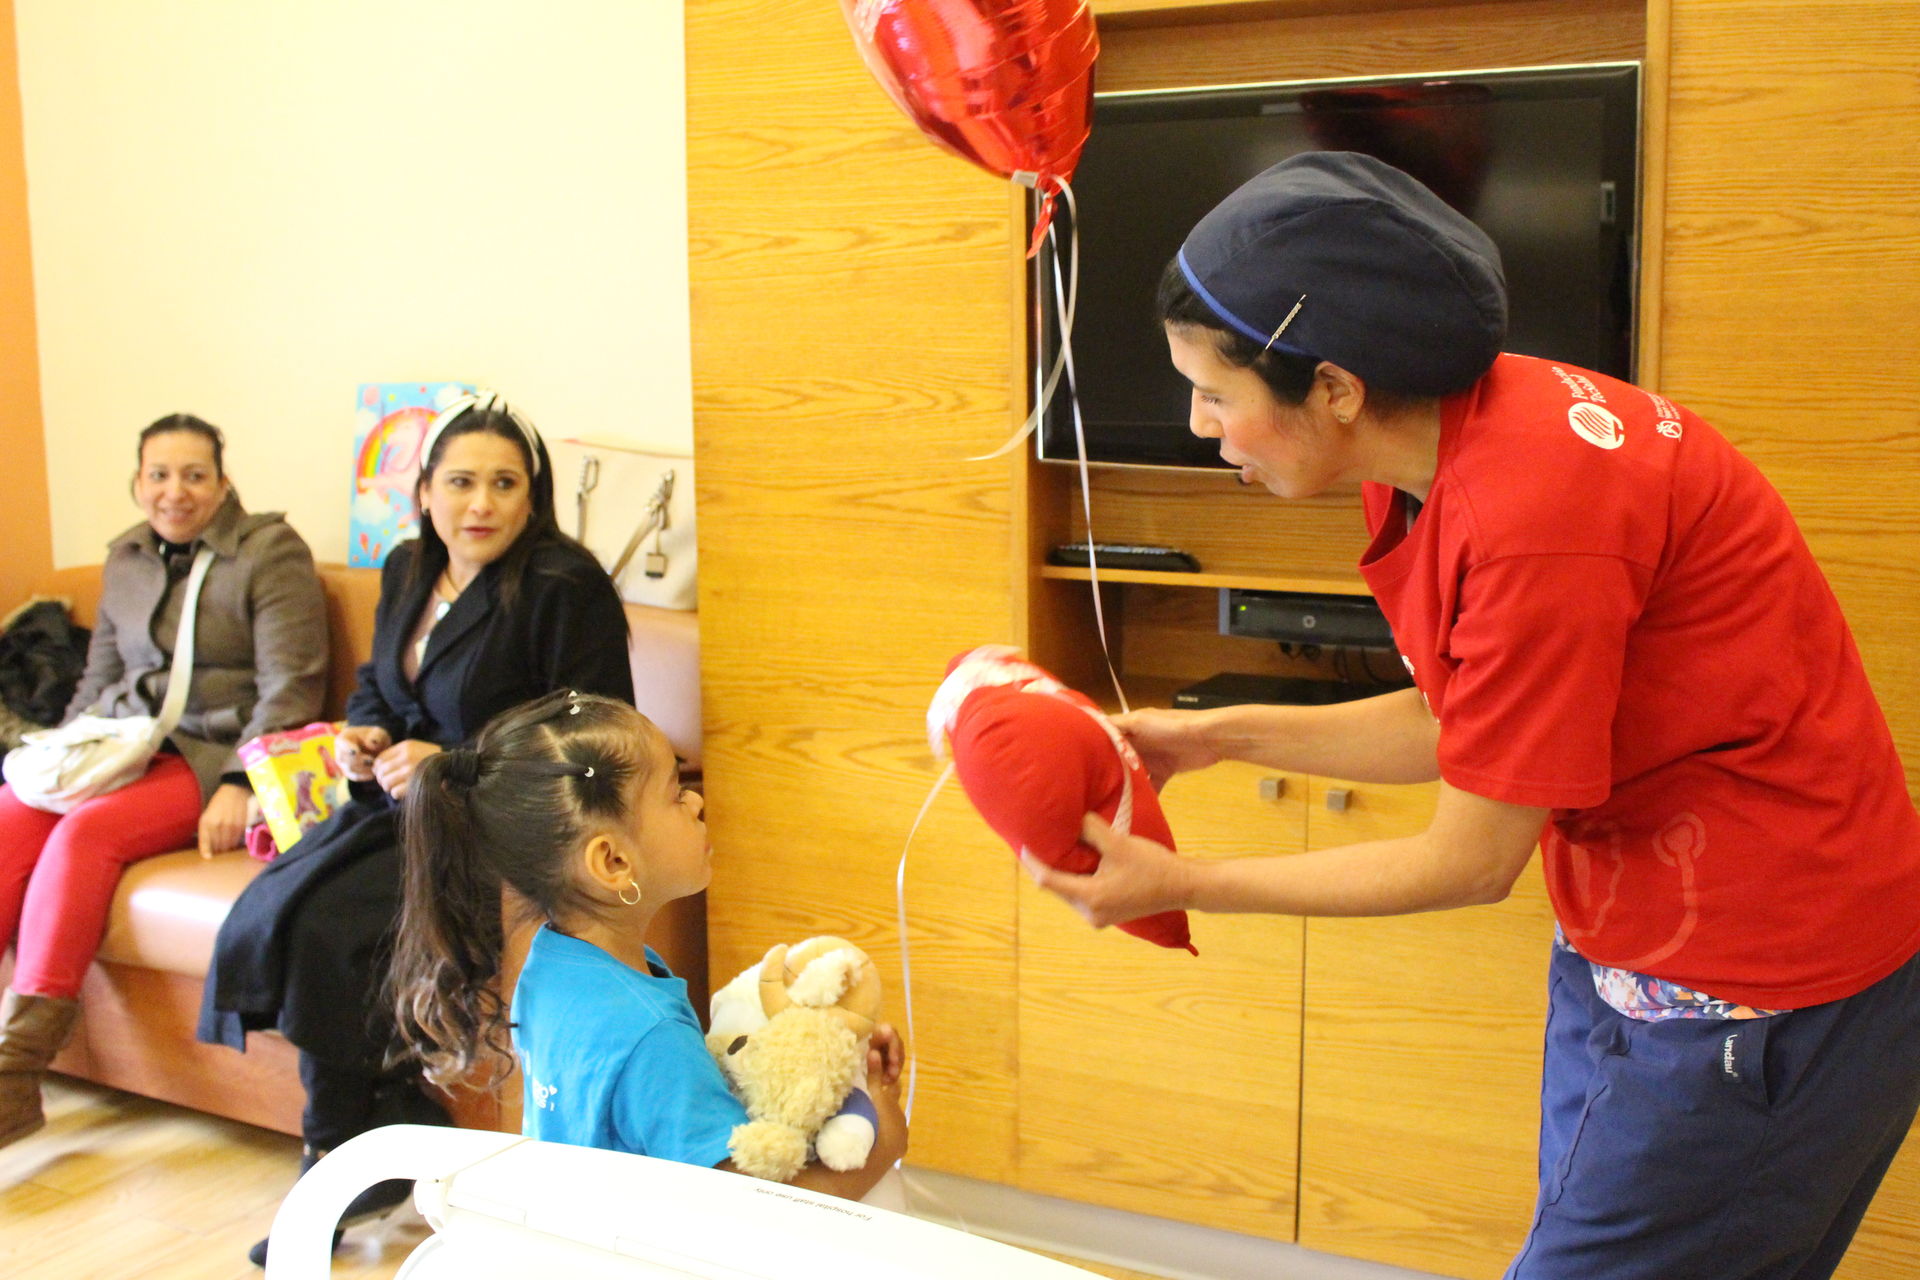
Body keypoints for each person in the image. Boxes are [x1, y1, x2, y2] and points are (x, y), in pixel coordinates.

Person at [1022, 151, 1920, 1280]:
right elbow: (1480, 722)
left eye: (1215, 392)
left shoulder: (1537, 510)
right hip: (1641, 946)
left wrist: (1181, 880)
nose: (1199, 423)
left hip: (1758, 991)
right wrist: (1210, 731)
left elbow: (1474, 852)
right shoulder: (1451, 437)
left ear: (1336, 387)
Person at [196, 392, 635, 1266]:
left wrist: (451, 761)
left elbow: (595, 730)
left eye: (505, 485)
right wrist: (361, 738)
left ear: (532, 496)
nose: (482, 505)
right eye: (462, 482)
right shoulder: (406, 569)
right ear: (425, 493)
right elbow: (375, 689)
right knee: (273, 917)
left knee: (329, 930)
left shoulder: (562, 584)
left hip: (500, 822)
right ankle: (387, 1128)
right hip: (396, 811)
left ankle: (340, 1155)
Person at [390, 689, 908, 1200]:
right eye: (675, 793)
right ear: (613, 862)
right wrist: (885, 1131)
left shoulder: (550, 966)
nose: (696, 800)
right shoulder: (650, 1035)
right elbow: (758, 1213)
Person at [0, 413, 328, 1148]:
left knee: (84, 836)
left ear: (223, 482)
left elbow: (292, 686)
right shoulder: (126, 558)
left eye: (194, 475)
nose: (175, 492)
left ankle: (15, 1071)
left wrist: (243, 780)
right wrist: (50, 761)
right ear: (137, 482)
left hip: (205, 756)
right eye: (158, 474)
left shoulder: (270, 552)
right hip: (119, 748)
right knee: (9, 816)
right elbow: (99, 681)